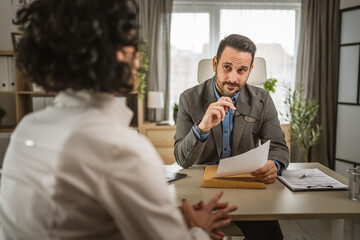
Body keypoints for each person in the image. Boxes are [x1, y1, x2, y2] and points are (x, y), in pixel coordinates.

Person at [0, 1, 238, 239]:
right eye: (133, 46)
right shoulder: (120, 149)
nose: (138, 59)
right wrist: (199, 228)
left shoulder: (26, 130)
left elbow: (75, 215)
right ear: (117, 54)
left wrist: (163, 214)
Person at [174, 34, 289, 240]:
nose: (233, 78)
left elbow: (279, 147)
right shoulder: (188, 99)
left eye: (241, 70)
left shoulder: (262, 100)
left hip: (247, 189)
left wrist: (274, 164)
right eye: (227, 67)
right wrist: (202, 127)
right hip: (201, 191)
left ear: (250, 70)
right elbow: (182, 159)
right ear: (215, 64)